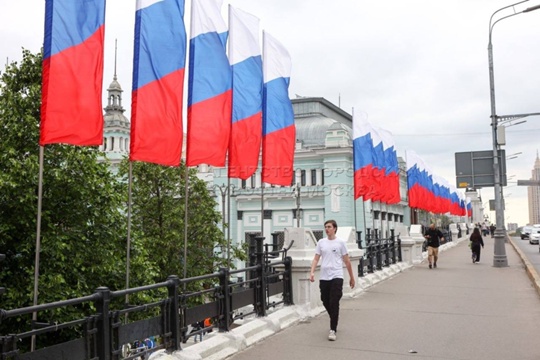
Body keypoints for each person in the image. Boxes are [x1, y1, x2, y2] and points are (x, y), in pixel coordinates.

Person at [309, 220, 355, 341]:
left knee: (334, 301)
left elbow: (347, 261)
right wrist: (312, 272)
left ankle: (332, 329)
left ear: (335, 228)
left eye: (329, 227)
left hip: (337, 276)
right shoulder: (321, 242)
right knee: (325, 300)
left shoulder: (340, 243)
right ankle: (334, 317)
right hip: (324, 277)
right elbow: (315, 259)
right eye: (325, 227)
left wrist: (352, 277)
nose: (327, 229)